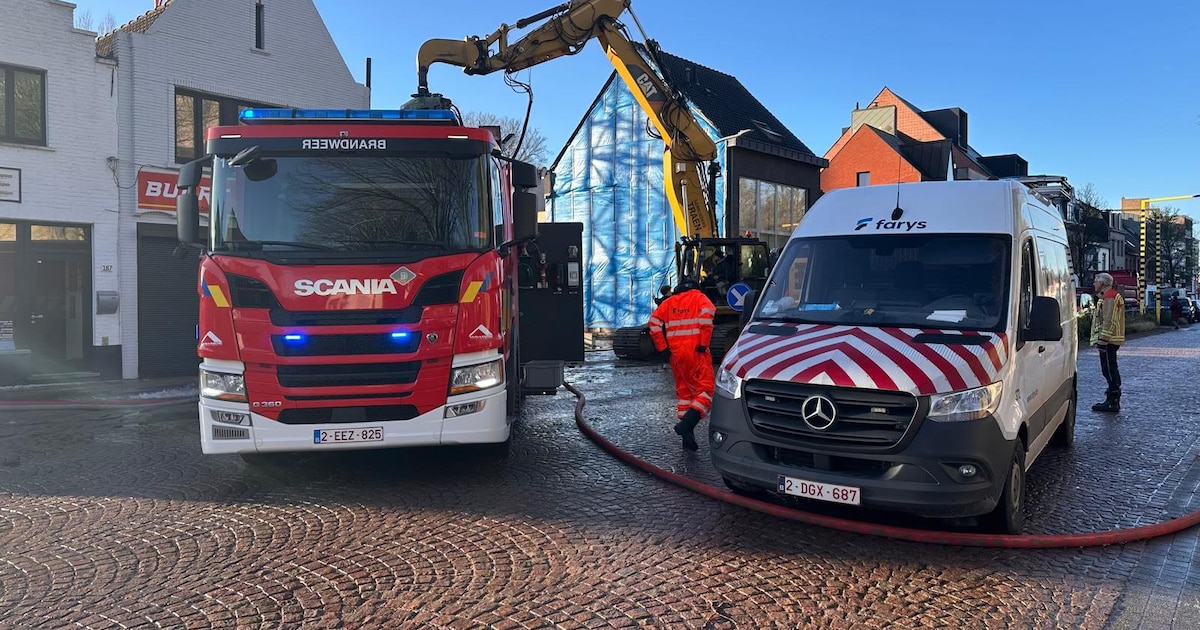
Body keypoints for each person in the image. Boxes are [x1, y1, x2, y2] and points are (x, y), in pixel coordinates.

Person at [647, 277, 717, 450]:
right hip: (697, 352)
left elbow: (653, 324)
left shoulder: (669, 302)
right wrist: (703, 343)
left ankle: (687, 438)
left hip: (676, 354)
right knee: (706, 390)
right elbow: (707, 318)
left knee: (685, 393)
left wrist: (663, 348)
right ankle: (687, 425)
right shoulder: (700, 298)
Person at [1090, 272, 1125, 412]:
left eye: (1096, 281)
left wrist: (1102, 340)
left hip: (1109, 340)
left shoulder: (1109, 297)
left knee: (1109, 369)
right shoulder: (1108, 296)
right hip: (1111, 339)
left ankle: (1113, 400)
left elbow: (1108, 320)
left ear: (1102, 283)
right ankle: (1112, 399)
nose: (1094, 283)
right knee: (1109, 368)